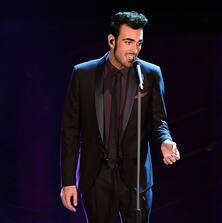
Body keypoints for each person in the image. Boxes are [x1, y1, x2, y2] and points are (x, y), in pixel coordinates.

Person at [59, 11, 180, 223]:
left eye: (139, 43)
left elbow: (158, 121)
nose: (135, 50)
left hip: (135, 178)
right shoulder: (83, 75)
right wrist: (68, 181)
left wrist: (165, 141)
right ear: (111, 41)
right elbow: (70, 131)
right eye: (128, 42)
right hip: (96, 178)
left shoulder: (150, 74)